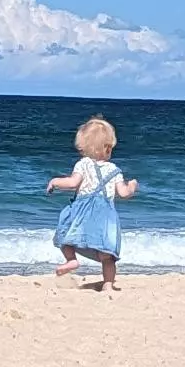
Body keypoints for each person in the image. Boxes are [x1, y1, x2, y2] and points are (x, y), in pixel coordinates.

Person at [45, 113, 137, 288]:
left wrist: (55, 181)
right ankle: (108, 284)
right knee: (107, 256)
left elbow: (73, 183)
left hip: (82, 212)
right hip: (105, 217)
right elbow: (124, 193)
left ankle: (71, 260)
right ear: (108, 148)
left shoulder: (83, 164)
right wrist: (132, 186)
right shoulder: (115, 170)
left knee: (65, 236)